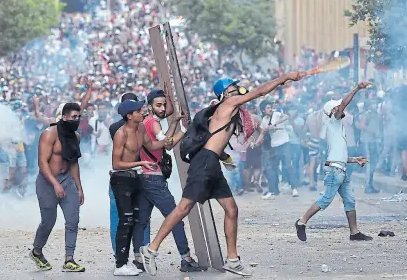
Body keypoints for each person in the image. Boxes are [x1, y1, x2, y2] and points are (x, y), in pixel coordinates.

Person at [140, 72, 305, 277]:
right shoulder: (228, 104)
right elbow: (259, 92)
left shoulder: (227, 110)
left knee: (231, 209)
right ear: (226, 93)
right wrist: (285, 78)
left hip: (212, 163)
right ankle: (151, 249)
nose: (238, 90)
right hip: (205, 163)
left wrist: (225, 157)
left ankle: (233, 260)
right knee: (184, 208)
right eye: (233, 88)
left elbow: (216, 141)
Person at [132, 88, 204, 273]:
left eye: (164, 104)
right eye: (159, 105)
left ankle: (138, 258)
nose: (163, 108)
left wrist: (175, 124)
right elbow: (168, 143)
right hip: (154, 179)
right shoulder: (153, 122)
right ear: (150, 106)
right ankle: (185, 258)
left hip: (144, 176)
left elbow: (166, 141)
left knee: (142, 220)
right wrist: (186, 130)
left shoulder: (146, 122)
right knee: (175, 218)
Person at [295, 82, 374, 242]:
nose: (342, 108)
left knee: (350, 200)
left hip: (340, 169)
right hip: (334, 171)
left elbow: (339, 155)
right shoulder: (333, 121)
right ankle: (301, 221)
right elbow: (344, 103)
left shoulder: (338, 128)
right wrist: (357, 88)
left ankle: (354, 233)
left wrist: (354, 160)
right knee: (326, 199)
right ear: (333, 111)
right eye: (338, 107)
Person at [110, 99, 168, 276]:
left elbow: (152, 145)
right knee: (125, 221)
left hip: (135, 178)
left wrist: (174, 134)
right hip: (121, 179)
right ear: (129, 115)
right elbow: (116, 164)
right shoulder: (121, 134)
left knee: (134, 220)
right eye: (138, 110)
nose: (142, 111)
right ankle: (120, 265)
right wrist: (142, 162)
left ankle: (127, 262)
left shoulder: (141, 128)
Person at [29, 102, 85, 272]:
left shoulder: (75, 136)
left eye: (78, 117)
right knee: (48, 221)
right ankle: (37, 251)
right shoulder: (49, 134)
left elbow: (73, 162)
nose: (76, 120)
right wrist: (54, 184)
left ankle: (69, 259)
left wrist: (79, 187)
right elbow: (42, 163)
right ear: (64, 117)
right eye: (73, 117)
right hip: (47, 182)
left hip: (67, 181)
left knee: (73, 220)